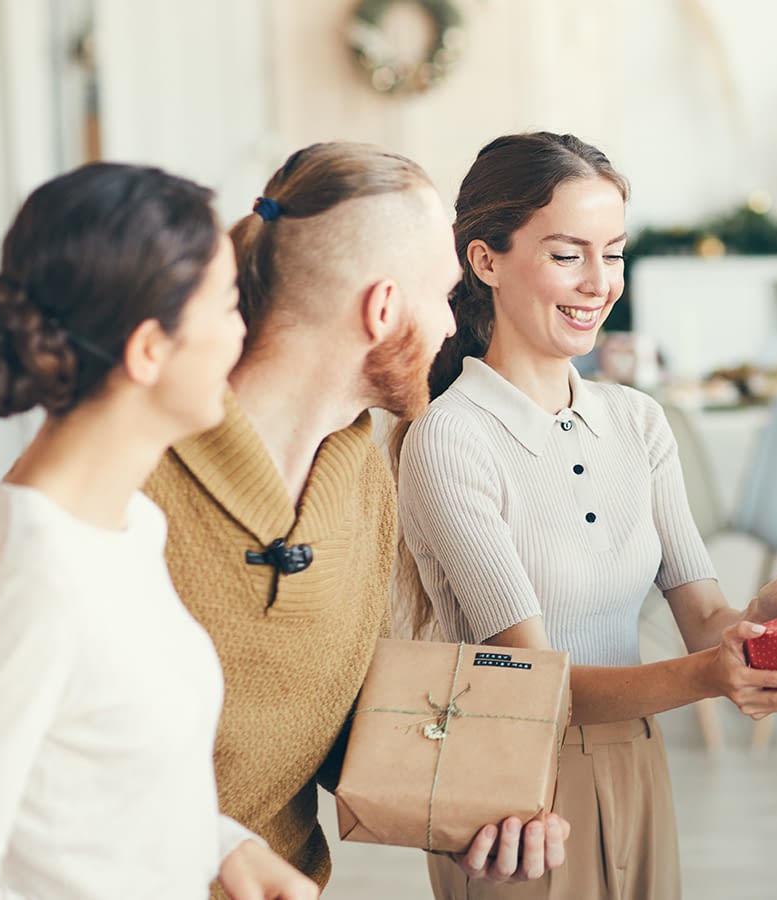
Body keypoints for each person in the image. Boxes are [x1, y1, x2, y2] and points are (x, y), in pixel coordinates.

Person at [396, 131, 777, 900]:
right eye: (567, 254)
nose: (598, 283)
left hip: (638, 758)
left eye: (613, 252)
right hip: (511, 802)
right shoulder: (450, 440)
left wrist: (762, 623)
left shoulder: (639, 422)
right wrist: (708, 676)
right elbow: (531, 683)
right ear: (484, 260)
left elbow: (704, 618)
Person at [142, 142, 569, 895]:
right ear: (381, 310)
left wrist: (474, 800)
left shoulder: (364, 473)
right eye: (443, 296)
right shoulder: (142, 477)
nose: (449, 325)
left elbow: (343, 721)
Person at [0, 163, 317, 898]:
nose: (242, 331)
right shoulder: (29, 575)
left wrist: (226, 848)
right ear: (149, 350)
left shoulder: (129, 525)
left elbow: (93, 774)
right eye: (227, 305)